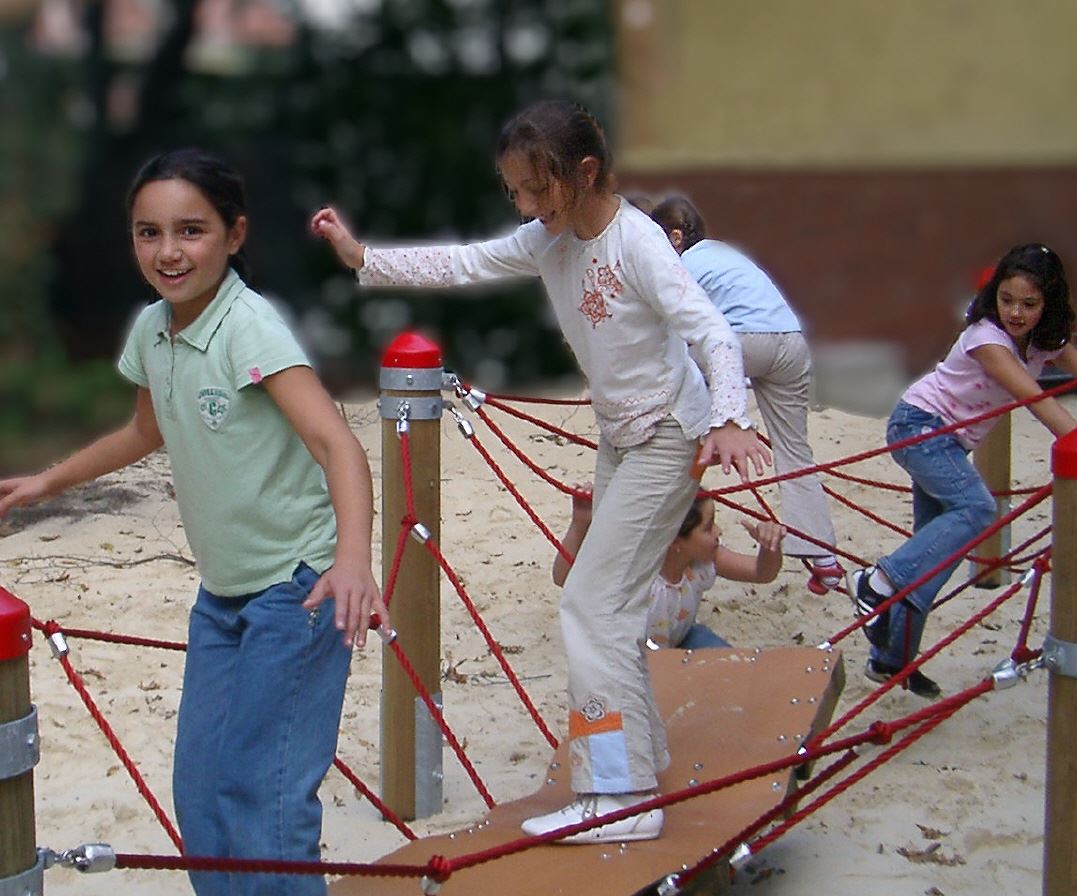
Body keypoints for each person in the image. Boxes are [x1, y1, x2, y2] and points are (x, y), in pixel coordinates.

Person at [0, 148, 388, 896]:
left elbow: (337, 444)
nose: (170, 251)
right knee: (200, 775)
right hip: (226, 594)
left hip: (298, 585)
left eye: (192, 231)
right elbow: (145, 431)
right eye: (150, 232)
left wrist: (353, 559)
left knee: (262, 777)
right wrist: (49, 480)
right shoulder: (153, 330)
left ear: (234, 236)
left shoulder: (250, 327)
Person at [310, 100, 771, 846]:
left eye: (535, 189)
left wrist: (728, 417)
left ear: (585, 173)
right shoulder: (552, 241)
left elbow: (711, 331)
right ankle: (638, 766)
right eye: (514, 192)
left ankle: (616, 794)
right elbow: (466, 260)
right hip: (623, 439)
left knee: (590, 605)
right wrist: (366, 259)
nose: (525, 206)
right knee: (610, 609)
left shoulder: (638, 243)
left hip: (667, 434)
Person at [849, 243, 1077, 699]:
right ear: (993, 296)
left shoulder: (1044, 342)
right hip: (921, 427)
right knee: (977, 509)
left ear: (1049, 304)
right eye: (1007, 300)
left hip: (950, 443)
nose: (1016, 313)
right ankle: (876, 582)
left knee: (935, 551)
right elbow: (1036, 400)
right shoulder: (986, 338)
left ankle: (890, 659)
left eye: (1029, 304)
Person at [643, 193, 846, 596]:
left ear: (676, 237)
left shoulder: (684, 264)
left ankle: (693, 455)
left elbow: (665, 324)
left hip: (743, 344)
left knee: (679, 363)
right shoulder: (726, 254)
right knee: (795, 451)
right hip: (790, 343)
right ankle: (824, 559)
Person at [554, 491, 784, 649]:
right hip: (632, 654)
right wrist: (580, 523)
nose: (718, 531)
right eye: (707, 527)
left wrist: (769, 548)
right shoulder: (636, 572)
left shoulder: (704, 560)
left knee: (728, 662)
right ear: (674, 540)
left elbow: (761, 572)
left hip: (681, 638)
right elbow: (563, 577)